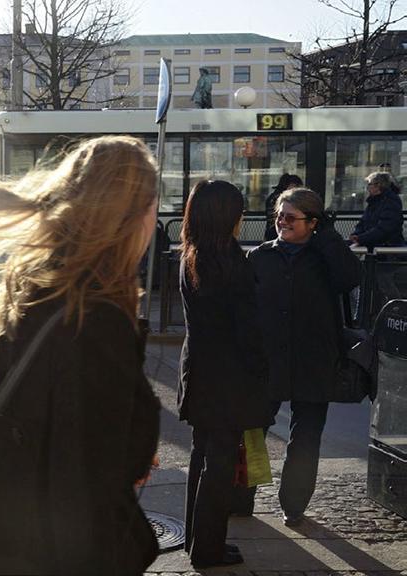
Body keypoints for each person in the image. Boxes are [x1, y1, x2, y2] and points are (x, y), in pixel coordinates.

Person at [0, 136, 162, 574]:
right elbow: (89, 470)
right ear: (132, 216)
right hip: (56, 552)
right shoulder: (95, 316)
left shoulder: (33, 293)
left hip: (1, 536)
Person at [248, 187, 361, 527]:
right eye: (279, 215)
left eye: (291, 217)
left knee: (306, 436)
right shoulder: (260, 256)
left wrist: (326, 235)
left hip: (314, 360)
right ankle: (243, 495)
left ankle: (293, 504)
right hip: (266, 360)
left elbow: (351, 276)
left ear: (313, 223)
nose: (281, 222)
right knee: (253, 430)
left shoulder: (325, 256)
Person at [178, 180, 273, 568]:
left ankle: (196, 540)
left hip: (200, 374)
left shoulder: (194, 255)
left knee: (202, 458)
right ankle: (208, 548)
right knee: (217, 465)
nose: (243, 217)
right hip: (229, 382)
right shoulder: (230, 262)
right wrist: (261, 373)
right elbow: (247, 332)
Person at [350, 171, 404, 249]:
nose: (367, 188)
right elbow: (363, 222)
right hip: (373, 244)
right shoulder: (373, 201)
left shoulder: (391, 201)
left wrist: (361, 238)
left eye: (369, 184)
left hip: (387, 247)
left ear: (378, 185)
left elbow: (385, 228)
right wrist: (356, 234)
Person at [263, 174, 304, 242]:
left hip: (271, 233)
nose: (298, 190)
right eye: (296, 186)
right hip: (280, 234)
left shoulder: (272, 197)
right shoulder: (284, 199)